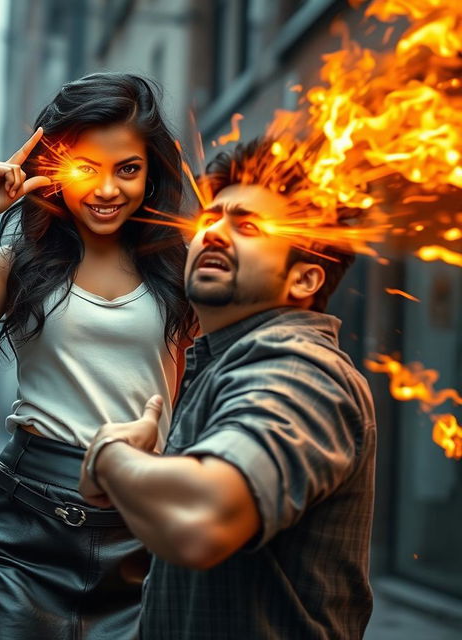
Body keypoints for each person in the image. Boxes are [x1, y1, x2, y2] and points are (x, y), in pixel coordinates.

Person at [0, 73, 194, 639]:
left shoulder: (179, 269)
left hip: (142, 525)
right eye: (87, 168)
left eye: (127, 169)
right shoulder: (16, 261)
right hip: (24, 528)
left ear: (151, 172)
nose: (108, 189)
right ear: (55, 166)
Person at [79, 138, 377, 639]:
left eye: (248, 226)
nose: (214, 233)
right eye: (209, 220)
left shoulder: (298, 368)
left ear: (303, 279)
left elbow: (201, 521)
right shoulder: (223, 366)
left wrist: (107, 455)